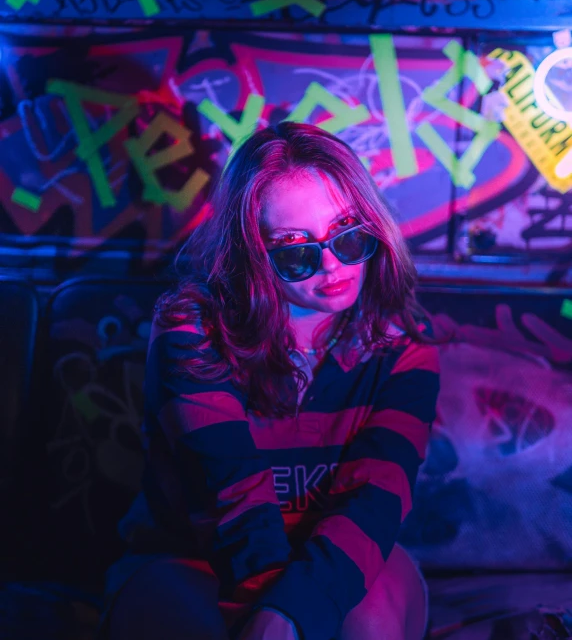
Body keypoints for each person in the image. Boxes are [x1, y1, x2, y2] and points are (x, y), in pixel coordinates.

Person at [100, 122, 441, 640]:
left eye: (350, 235)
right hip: (195, 558)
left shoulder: (403, 345)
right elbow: (231, 499)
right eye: (296, 251)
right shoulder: (192, 331)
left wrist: (295, 609)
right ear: (252, 255)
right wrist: (275, 616)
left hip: (342, 557)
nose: (332, 267)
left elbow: (374, 497)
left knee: (370, 620)